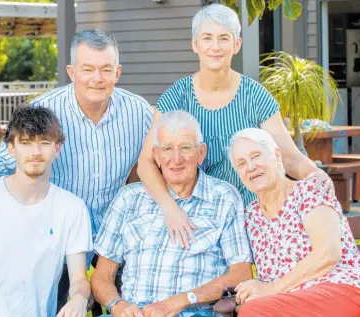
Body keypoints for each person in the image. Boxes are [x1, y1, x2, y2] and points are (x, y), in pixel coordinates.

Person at [0, 29, 154, 310]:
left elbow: (163, 152)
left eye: (105, 69)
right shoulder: (46, 108)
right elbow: (9, 152)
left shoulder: (139, 112)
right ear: (72, 71)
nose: (97, 78)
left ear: (117, 72)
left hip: (116, 229)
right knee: (58, 304)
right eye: (87, 69)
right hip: (59, 230)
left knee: (127, 304)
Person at [136, 3, 332, 249]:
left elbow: (289, 156)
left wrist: (317, 175)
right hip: (195, 219)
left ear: (236, 44)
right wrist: (170, 209)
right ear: (195, 44)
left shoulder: (255, 96)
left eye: (223, 38)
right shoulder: (176, 97)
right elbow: (146, 163)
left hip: (251, 216)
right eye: (207, 38)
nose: (215, 47)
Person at [91, 111, 253, 317]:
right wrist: (117, 305)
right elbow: (102, 275)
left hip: (194, 313)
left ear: (201, 153)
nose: (176, 159)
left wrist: (182, 301)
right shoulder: (129, 197)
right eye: (167, 149)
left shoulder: (224, 197)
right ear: (156, 155)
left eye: (185, 148)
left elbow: (241, 273)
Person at [0, 107, 92, 317]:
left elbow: (79, 279)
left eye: (45, 143)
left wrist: (79, 298)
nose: (36, 152)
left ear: (57, 148)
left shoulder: (72, 208)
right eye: (26, 143)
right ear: (11, 148)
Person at [227, 128, 360, 317]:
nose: (250, 167)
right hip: (289, 305)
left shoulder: (310, 190)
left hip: (342, 292)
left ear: (276, 155)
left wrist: (272, 288)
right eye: (241, 163)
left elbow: (328, 253)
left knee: (254, 312)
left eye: (256, 156)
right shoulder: (250, 216)